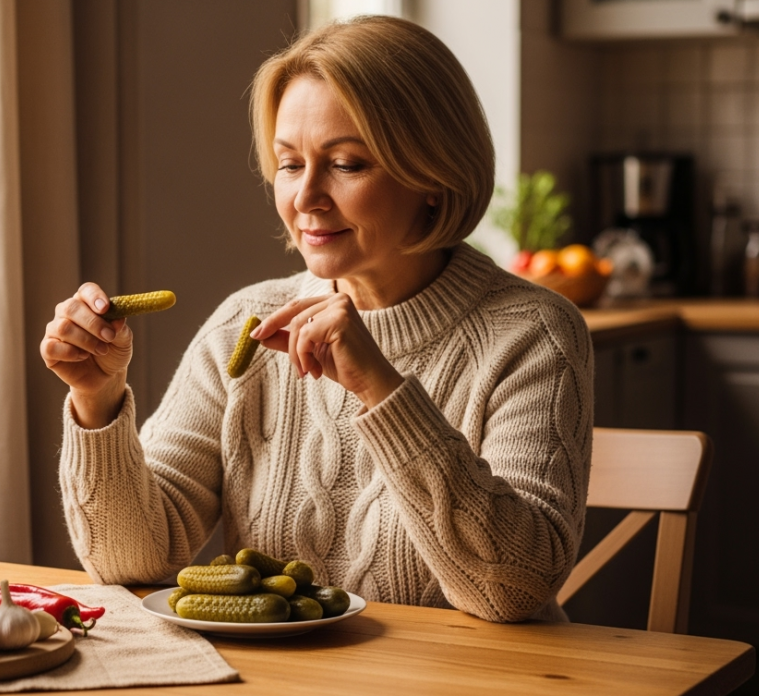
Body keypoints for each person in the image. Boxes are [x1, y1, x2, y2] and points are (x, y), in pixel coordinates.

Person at [40, 16, 592, 623]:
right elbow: (132, 564)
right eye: (289, 163)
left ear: (434, 177)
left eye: (347, 164)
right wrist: (97, 401)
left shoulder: (534, 333)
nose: (305, 198)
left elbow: (512, 590)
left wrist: (379, 388)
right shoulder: (245, 327)